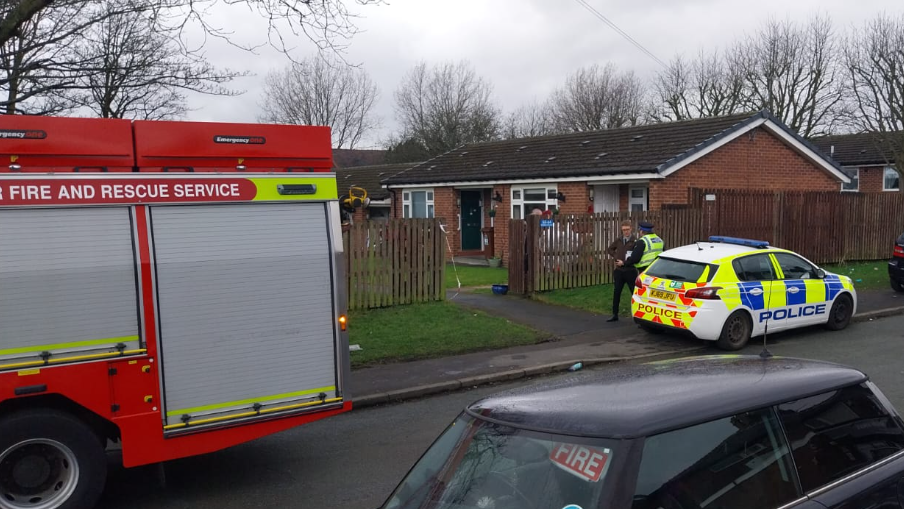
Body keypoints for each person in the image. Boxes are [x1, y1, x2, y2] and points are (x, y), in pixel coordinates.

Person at [606, 220, 637, 322]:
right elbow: (610, 249)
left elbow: (636, 256)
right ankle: (615, 314)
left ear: (631, 229)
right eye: (624, 230)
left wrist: (625, 262)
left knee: (634, 293)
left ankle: (637, 315)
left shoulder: (635, 241)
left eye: (627, 230)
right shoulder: (619, 240)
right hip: (619, 271)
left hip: (630, 270)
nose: (626, 232)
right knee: (617, 292)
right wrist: (616, 257)